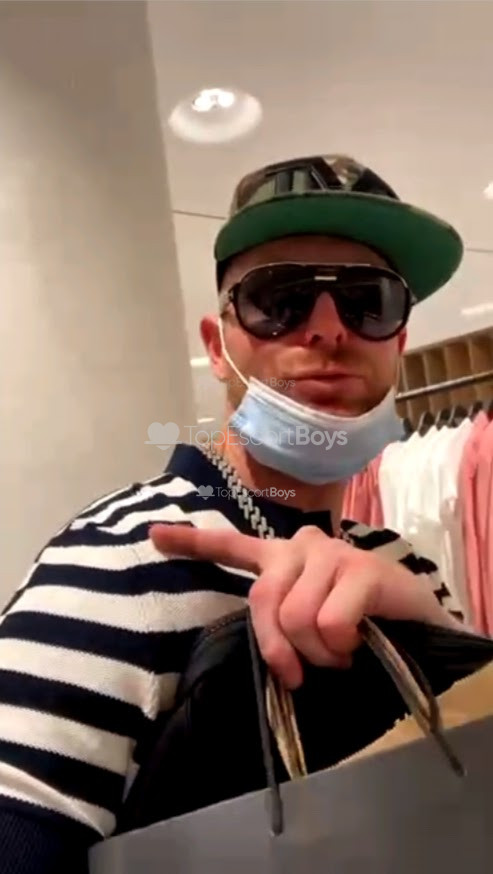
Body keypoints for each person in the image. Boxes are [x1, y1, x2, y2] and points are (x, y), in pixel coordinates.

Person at [0, 153, 466, 873]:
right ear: (218, 348)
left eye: (367, 301)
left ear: (398, 343)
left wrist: (436, 632)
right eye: (279, 298)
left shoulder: (406, 565)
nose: (329, 330)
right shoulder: (122, 560)